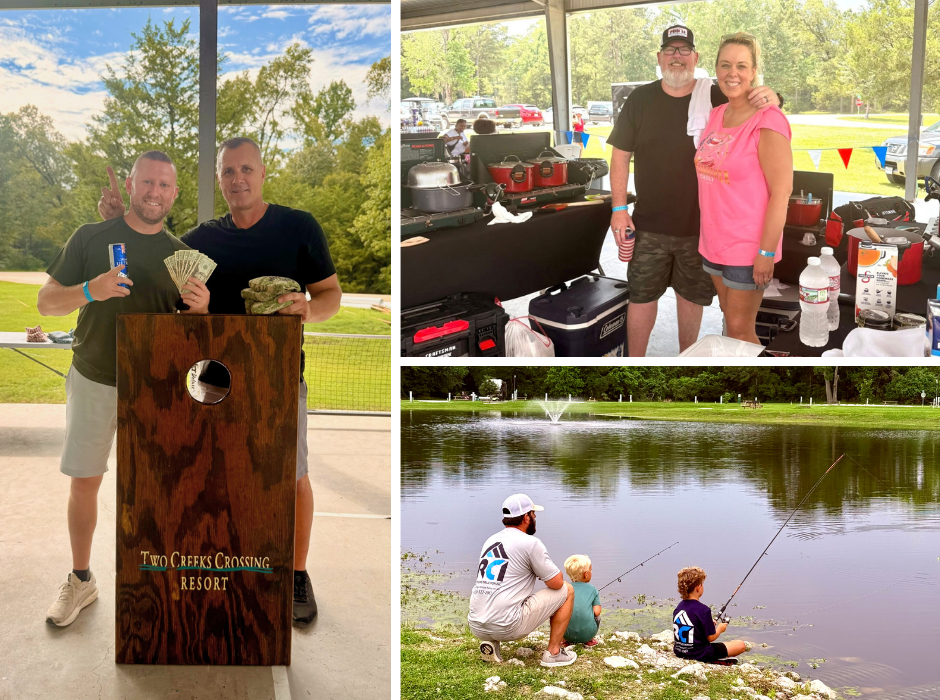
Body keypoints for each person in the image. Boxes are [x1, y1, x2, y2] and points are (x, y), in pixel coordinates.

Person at [97, 136, 342, 627]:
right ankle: (227, 569)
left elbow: (331, 294)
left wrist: (309, 310)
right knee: (216, 480)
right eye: (228, 172)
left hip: (277, 378)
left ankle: (296, 573)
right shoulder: (200, 239)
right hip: (211, 382)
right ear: (218, 179)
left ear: (263, 172)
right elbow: (147, 267)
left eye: (246, 169)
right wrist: (113, 224)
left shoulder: (298, 227)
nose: (238, 179)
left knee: (292, 475)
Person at [39, 151, 210, 627]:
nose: (154, 192)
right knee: (85, 482)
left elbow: (190, 338)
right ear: (131, 184)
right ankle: (80, 580)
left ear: (174, 194)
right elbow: (46, 302)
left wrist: (199, 312)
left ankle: (155, 584)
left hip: (153, 390)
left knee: (157, 492)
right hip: (93, 376)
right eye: (147, 182)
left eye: (164, 186)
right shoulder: (91, 237)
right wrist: (91, 290)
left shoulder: (182, 257)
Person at [607, 25, 780, 356]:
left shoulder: (714, 94)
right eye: (670, 50)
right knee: (641, 297)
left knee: (691, 298)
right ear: (659, 58)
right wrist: (618, 209)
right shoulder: (640, 99)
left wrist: (774, 97)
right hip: (648, 226)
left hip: (701, 229)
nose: (677, 57)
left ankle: (687, 362)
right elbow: (620, 154)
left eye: (684, 50)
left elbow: (753, 102)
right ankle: (634, 366)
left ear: (696, 58)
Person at [695, 33, 792, 343]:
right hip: (714, 242)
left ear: (753, 72)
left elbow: (782, 192)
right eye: (725, 65)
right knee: (730, 321)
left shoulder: (769, 120)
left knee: (739, 330)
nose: (732, 73)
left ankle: (760, 389)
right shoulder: (717, 114)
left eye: (741, 65)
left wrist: (765, 252)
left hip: (748, 248)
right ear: (716, 70)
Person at [468, 494, 578, 668]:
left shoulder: (491, 540)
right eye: (533, 514)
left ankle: (490, 642)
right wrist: (540, 573)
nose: (535, 517)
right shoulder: (531, 543)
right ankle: (553, 654)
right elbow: (557, 583)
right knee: (567, 590)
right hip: (508, 626)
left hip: (476, 625)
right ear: (526, 517)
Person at [672, 567, 751, 664]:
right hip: (700, 653)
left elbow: (691, 629)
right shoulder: (703, 610)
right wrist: (720, 628)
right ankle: (714, 660)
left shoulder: (679, 608)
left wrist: (708, 625)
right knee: (741, 645)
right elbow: (711, 638)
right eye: (702, 584)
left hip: (680, 652)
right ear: (698, 587)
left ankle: (717, 658)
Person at [561, 554, 601, 647]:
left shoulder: (565, 588)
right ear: (586, 574)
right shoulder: (593, 589)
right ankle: (589, 640)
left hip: (567, 635)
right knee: (597, 617)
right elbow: (597, 612)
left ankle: (565, 640)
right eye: (591, 570)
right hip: (587, 635)